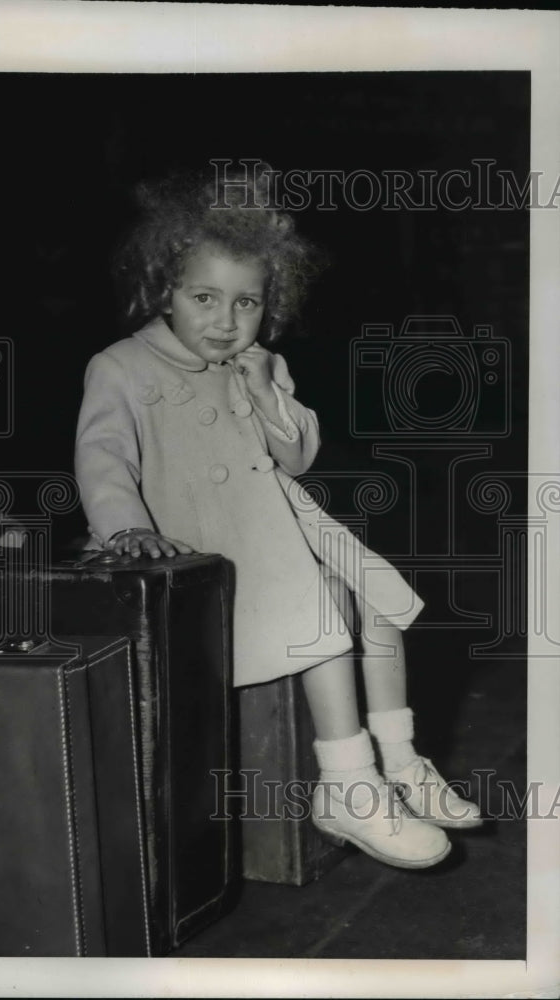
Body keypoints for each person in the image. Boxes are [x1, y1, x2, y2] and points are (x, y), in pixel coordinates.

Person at [75, 165, 482, 871]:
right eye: (204, 297)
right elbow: (103, 458)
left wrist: (265, 391)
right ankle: (347, 784)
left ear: (270, 306)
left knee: (373, 598)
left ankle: (399, 760)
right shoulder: (120, 367)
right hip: (201, 549)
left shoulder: (260, 367)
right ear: (162, 287)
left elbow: (297, 457)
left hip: (274, 532)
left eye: (247, 303)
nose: (225, 320)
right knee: (324, 602)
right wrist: (124, 529)